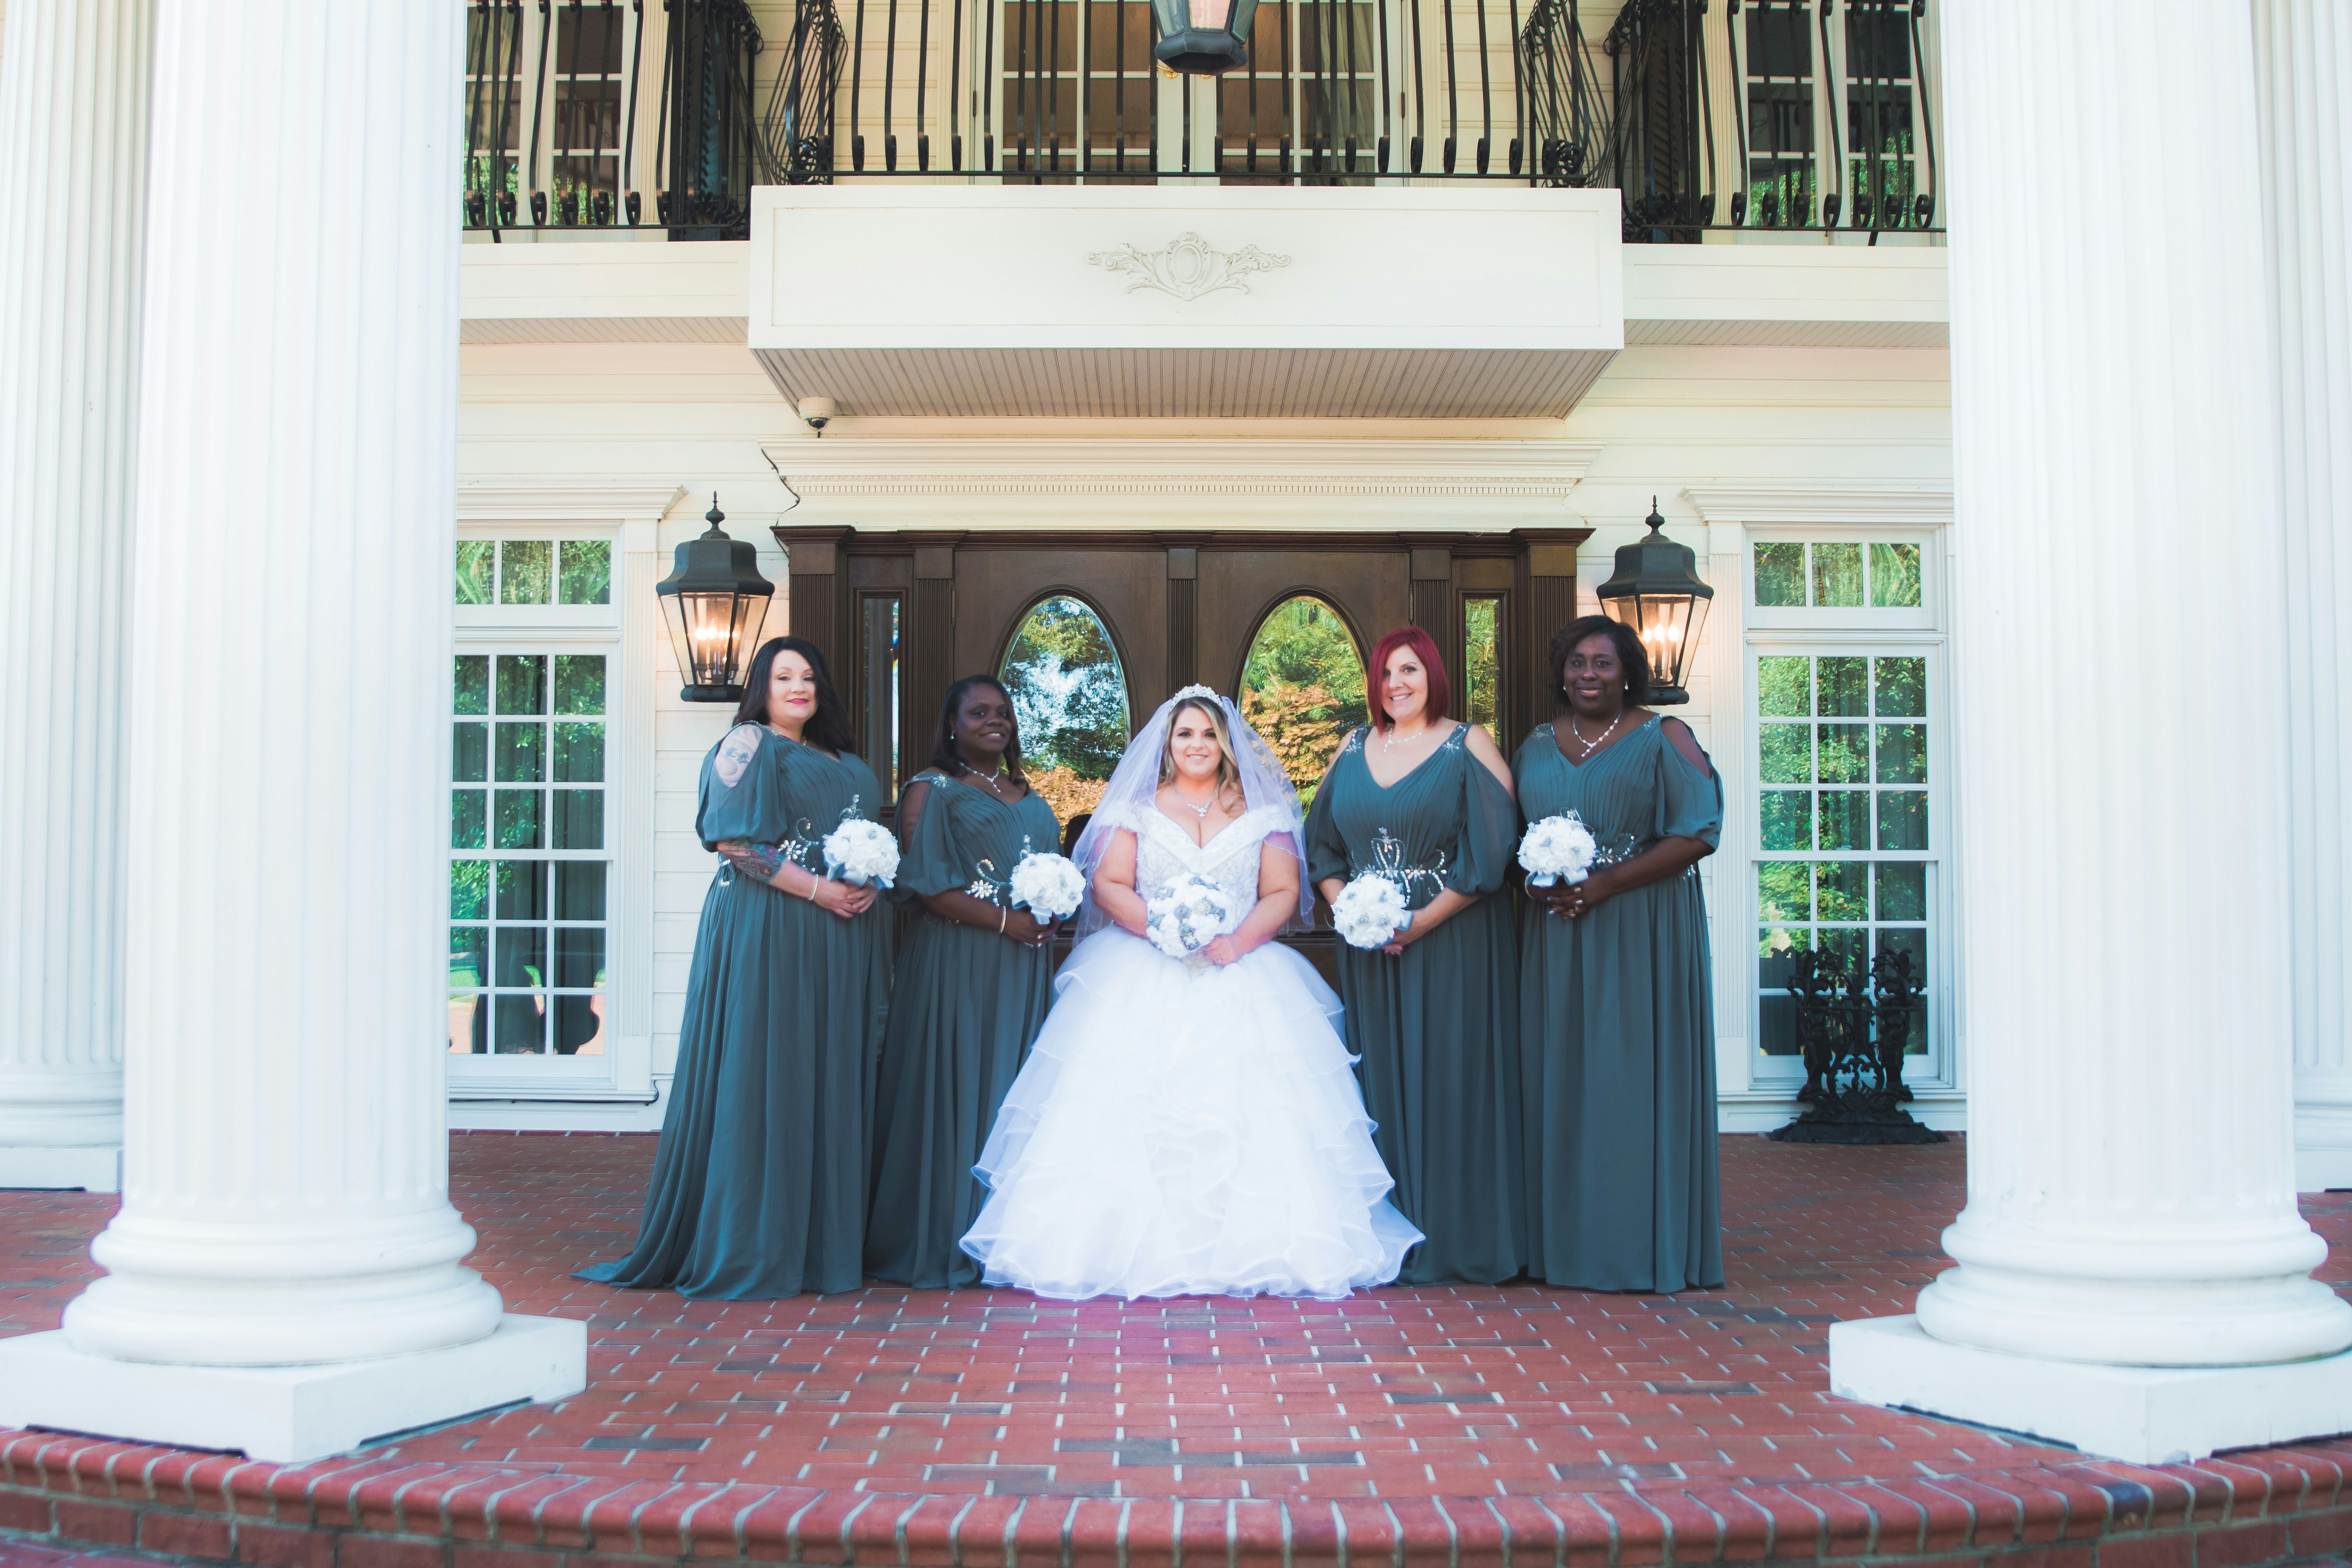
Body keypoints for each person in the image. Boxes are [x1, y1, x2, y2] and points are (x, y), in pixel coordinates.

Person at [960, 685, 1420, 1301]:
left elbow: (1281, 892)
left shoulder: (1260, 813)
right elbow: (1109, 883)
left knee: (1255, 1113)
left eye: (1207, 734)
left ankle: (1252, 1249)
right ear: (1168, 745)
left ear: (1225, 743)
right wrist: (1159, 927)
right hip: (1144, 966)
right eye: (1185, 735)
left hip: (1241, 968)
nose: (1197, 744)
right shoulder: (1139, 810)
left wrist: (1236, 942)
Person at [578, 637, 890, 1298]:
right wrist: (820, 891)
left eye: (808, 676)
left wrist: (866, 883)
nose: (798, 687)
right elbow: (733, 843)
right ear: (762, 687)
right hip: (770, 925)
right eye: (783, 677)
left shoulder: (847, 762)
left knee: (824, 1071)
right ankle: (755, 1239)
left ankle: (819, 1243)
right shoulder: (747, 744)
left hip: (839, 934)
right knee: (767, 1067)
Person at [1303, 627, 1524, 1285]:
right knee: (1379, 1084)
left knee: (1452, 1076)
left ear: (1432, 674)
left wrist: (1418, 922)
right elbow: (1321, 848)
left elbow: (1491, 852)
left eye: (1409, 671)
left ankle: (1458, 1237)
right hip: (1372, 952)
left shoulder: (1468, 743)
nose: (1395, 684)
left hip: (1453, 943)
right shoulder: (1351, 746)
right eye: (1384, 674)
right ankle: (1386, 1238)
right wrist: (1352, 912)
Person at [1515, 616, 1724, 1292]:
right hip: (1555, 936)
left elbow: (1698, 831)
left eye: (1602, 664)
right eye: (1576, 663)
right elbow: (1516, 835)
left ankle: (1636, 1246)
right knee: (1563, 1083)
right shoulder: (1536, 746)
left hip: (1641, 931)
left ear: (1628, 670)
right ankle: (1565, 1246)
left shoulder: (1664, 737)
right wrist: (1538, 878)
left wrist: (1602, 884)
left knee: (1628, 1082)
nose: (1587, 675)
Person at [866, 677, 1063, 1288]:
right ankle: (945, 1231)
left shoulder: (1025, 793)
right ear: (952, 725)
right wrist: (1008, 922)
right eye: (978, 713)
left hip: (1022, 968)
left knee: (1012, 1088)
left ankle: (1010, 1238)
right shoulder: (933, 789)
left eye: (1003, 713)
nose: (994, 721)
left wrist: (1048, 910)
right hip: (956, 963)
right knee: (957, 1086)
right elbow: (926, 884)